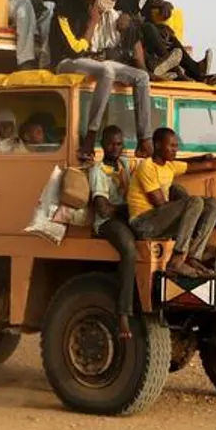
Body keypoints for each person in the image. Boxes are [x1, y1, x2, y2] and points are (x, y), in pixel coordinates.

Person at [127, 128, 216, 276]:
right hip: (143, 223)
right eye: (172, 146)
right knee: (194, 202)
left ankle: (193, 257)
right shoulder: (147, 167)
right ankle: (177, 259)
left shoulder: (170, 166)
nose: (176, 149)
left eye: (176, 145)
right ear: (158, 145)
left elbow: (212, 165)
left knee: (213, 204)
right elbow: (160, 205)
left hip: (159, 221)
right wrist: (191, 212)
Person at [50, 0, 153, 162]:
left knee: (141, 78)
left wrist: (126, 25)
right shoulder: (64, 14)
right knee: (107, 70)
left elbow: (120, 41)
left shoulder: (105, 14)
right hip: (65, 63)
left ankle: (144, 138)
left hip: (94, 62)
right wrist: (93, 22)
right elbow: (75, 50)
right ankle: (91, 136)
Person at [87, 126, 140, 340]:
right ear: (103, 145)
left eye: (119, 144)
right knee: (129, 250)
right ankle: (123, 314)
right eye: (111, 144)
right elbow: (102, 208)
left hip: (124, 216)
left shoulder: (125, 165)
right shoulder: (97, 171)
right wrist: (126, 208)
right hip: (108, 223)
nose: (115, 148)